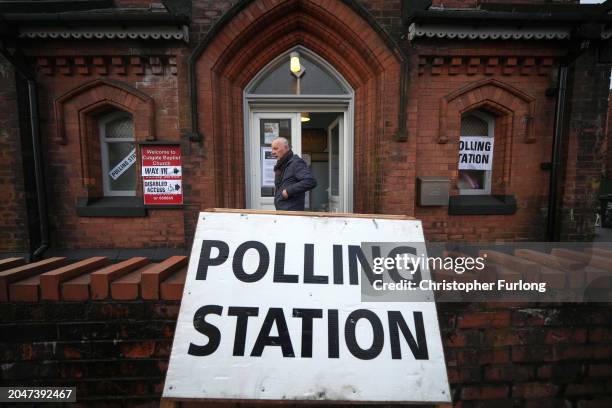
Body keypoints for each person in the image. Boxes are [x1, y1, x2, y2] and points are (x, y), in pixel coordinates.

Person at [271, 137, 317, 211]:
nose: (272, 152)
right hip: (283, 212)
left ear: (286, 148)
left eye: (275, 149)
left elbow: (310, 181)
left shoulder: (296, 163)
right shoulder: (282, 165)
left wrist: (288, 191)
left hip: (292, 214)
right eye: (272, 149)